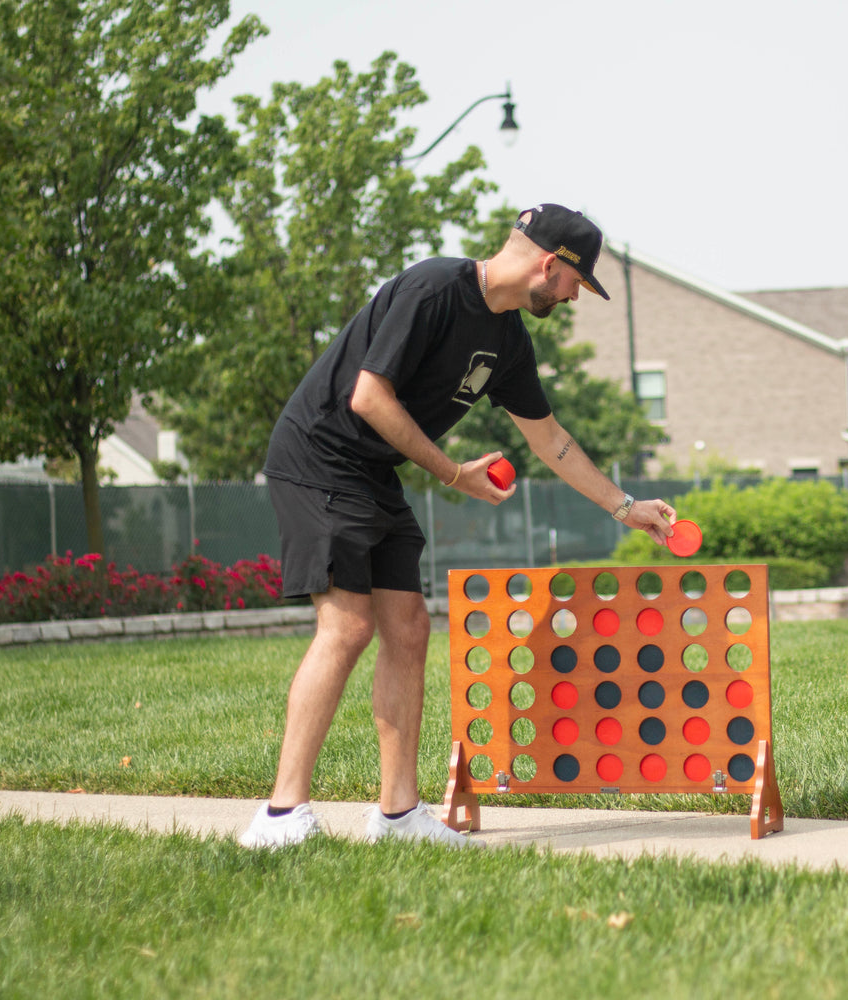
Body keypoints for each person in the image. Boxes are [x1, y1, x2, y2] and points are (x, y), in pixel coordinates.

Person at [240, 204, 677, 848]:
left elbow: (550, 439)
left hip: (372, 471)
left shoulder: (509, 342)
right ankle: (280, 816)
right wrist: (452, 473)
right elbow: (369, 397)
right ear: (549, 264)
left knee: (409, 628)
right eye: (574, 284)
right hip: (317, 458)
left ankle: (397, 816)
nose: (572, 298)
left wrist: (624, 507)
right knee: (348, 627)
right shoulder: (434, 288)